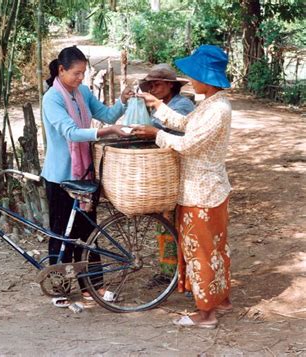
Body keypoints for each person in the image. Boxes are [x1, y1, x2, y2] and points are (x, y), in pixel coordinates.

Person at [132, 45, 233, 328]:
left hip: (201, 191)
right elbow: (187, 124)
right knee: (215, 248)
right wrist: (159, 107)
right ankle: (220, 299)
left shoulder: (217, 110)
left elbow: (188, 144)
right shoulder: (212, 105)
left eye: (194, 76)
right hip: (209, 189)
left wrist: (157, 134)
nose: (191, 81)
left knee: (199, 249)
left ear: (207, 78)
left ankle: (205, 314)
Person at [41, 46, 134, 307]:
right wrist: (104, 133)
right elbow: (70, 133)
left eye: (83, 73)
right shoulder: (52, 99)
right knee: (62, 233)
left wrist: (122, 102)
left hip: (83, 175)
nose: (81, 78)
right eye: (76, 73)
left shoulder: (81, 92)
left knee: (89, 231)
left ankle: (93, 286)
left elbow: (104, 115)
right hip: (60, 177)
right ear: (61, 70)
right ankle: (59, 287)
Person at [139, 64, 195, 281]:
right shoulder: (160, 105)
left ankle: (186, 276)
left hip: (180, 170)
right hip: (164, 172)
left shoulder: (181, 106)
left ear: (171, 85)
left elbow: (174, 131)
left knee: (181, 224)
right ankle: (169, 273)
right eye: (151, 84)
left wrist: (153, 131)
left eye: (158, 84)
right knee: (165, 223)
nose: (153, 88)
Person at [138, 63, 194, 135]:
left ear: (170, 84)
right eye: (151, 86)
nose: (153, 90)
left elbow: (170, 126)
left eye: (157, 85)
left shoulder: (183, 104)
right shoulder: (158, 105)